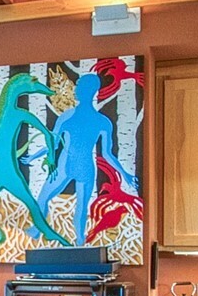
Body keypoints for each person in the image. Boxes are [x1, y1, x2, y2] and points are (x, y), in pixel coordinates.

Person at [30, 72, 139, 245]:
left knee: (77, 207)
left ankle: (76, 241)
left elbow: (106, 153)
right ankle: (43, 231)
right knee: (58, 202)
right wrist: (33, 157)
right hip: (75, 165)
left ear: (89, 90)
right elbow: (53, 144)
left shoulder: (85, 119)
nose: (76, 89)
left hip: (73, 165)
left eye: (79, 86)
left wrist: (125, 173)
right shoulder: (97, 120)